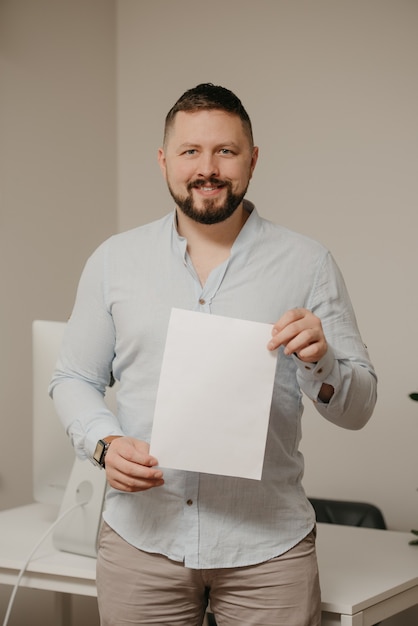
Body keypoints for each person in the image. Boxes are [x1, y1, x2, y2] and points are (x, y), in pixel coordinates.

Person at [49, 83, 377, 626]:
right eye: (190, 151)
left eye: (226, 151)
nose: (209, 168)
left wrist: (323, 362)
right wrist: (103, 445)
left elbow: (359, 409)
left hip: (268, 552)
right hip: (141, 545)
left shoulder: (308, 263)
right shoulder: (115, 261)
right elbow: (73, 378)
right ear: (163, 161)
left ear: (252, 159)